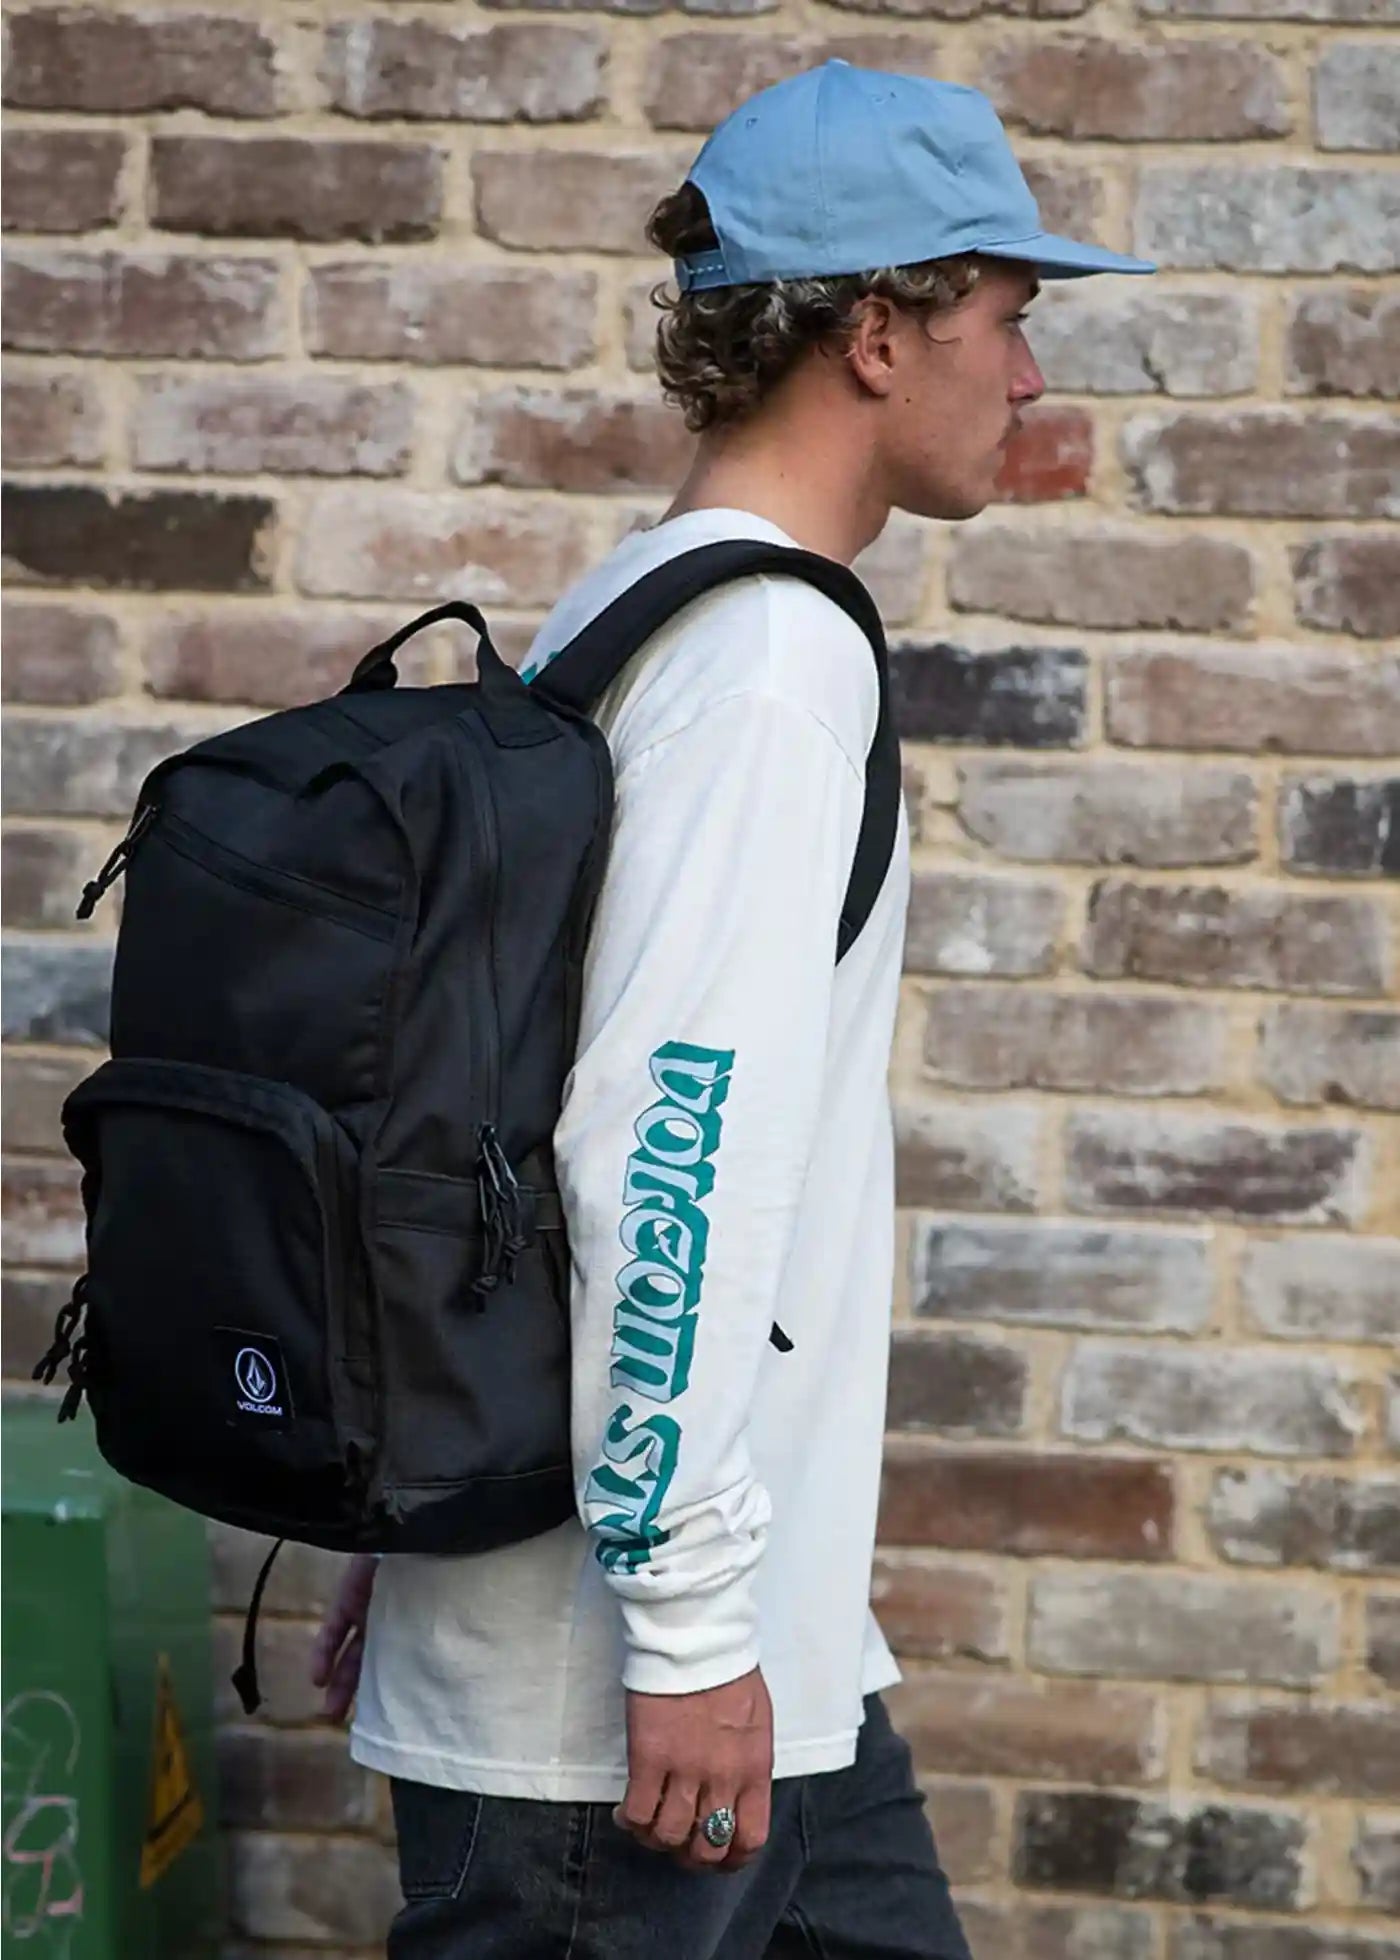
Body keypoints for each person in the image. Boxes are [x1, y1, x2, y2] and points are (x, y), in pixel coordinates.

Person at [310, 61, 1153, 1959]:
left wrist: (428, 1509)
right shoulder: (767, 662)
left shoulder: (630, 610)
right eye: (1007, 317)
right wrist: (688, 1631)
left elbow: (494, 1102)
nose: (1031, 378)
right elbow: (655, 1148)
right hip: (632, 1696)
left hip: (758, 1639)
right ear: (877, 333)